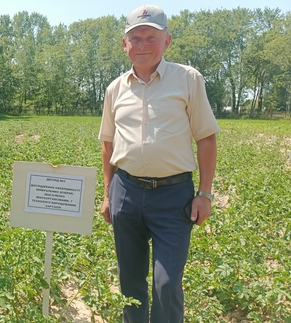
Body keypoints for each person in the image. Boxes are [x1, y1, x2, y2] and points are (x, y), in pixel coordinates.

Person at [98, 5, 220, 322]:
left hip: (173, 195)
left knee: (167, 284)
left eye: (151, 37)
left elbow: (206, 138)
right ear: (125, 44)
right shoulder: (115, 89)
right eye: (135, 38)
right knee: (131, 283)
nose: (142, 44)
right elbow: (108, 144)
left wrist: (205, 195)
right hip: (126, 192)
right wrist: (108, 191)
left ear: (167, 41)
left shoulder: (188, 80)